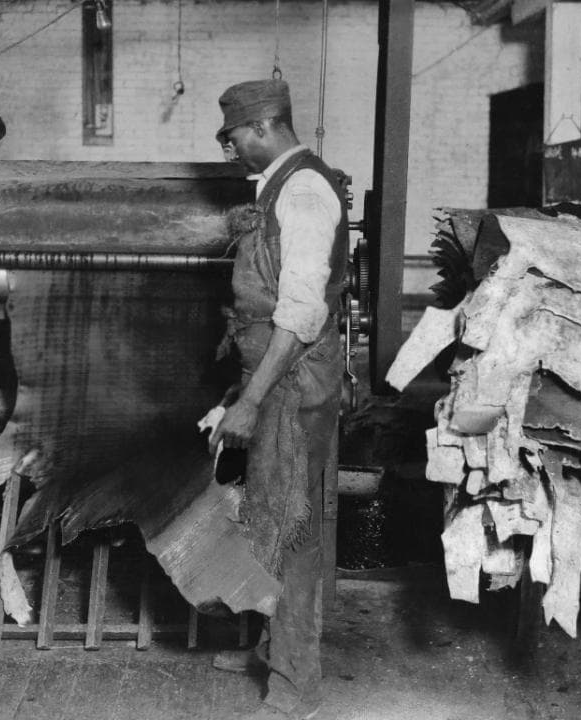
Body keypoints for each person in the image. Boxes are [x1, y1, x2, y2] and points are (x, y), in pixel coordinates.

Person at [208, 79, 347, 720]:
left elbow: (299, 315)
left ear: (262, 126)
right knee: (268, 514)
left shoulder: (307, 192)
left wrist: (250, 402)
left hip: (294, 387)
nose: (231, 147)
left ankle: (295, 686)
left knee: (292, 531)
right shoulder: (276, 189)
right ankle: (273, 650)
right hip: (273, 379)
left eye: (234, 135)